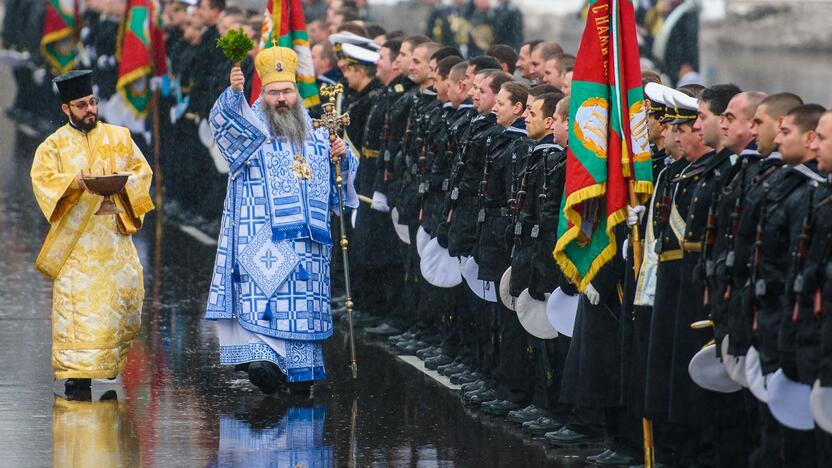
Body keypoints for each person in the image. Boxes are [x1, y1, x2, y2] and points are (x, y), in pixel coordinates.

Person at [204, 46, 358, 395]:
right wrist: (234, 93)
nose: (282, 99)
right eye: (274, 92)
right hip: (264, 242)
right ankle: (263, 364)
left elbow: (341, 187)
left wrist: (343, 158)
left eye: (287, 91)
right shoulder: (252, 129)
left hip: (309, 246)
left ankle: (299, 378)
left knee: (301, 320)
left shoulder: (317, 134)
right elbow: (223, 125)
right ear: (264, 94)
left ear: (297, 93)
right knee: (266, 312)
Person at [31, 70, 154, 397]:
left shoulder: (120, 137)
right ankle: (77, 375)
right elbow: (43, 183)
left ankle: (107, 365)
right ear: (66, 110)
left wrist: (121, 189)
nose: (90, 109)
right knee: (78, 312)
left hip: (112, 240)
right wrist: (74, 183)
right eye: (81, 105)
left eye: (92, 102)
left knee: (118, 309)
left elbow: (142, 173)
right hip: (77, 247)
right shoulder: (52, 147)